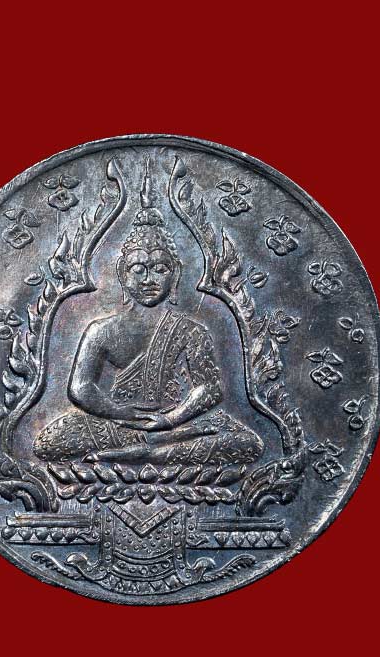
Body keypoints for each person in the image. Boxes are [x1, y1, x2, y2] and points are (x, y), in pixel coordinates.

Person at [34, 176, 263, 468]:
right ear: (122, 273)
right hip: (120, 422)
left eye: (160, 269)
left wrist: (170, 419)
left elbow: (209, 388)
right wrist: (120, 413)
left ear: (175, 273)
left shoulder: (191, 331)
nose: (148, 279)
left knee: (247, 443)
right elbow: (81, 388)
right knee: (49, 441)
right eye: (138, 269)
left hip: (175, 421)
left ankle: (149, 453)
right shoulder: (100, 330)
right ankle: (155, 448)